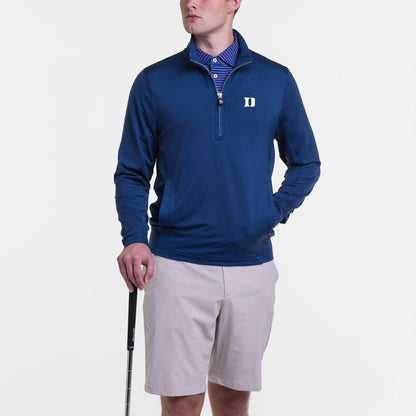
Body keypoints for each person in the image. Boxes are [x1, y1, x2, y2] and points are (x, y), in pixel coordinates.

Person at [114, 0, 321, 414]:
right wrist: (134, 238)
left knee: (231, 400)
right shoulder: (154, 82)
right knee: (183, 402)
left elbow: (306, 163)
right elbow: (132, 173)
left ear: (234, 2)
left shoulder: (275, 80)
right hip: (176, 265)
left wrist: (269, 212)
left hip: (251, 267)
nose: (191, 2)